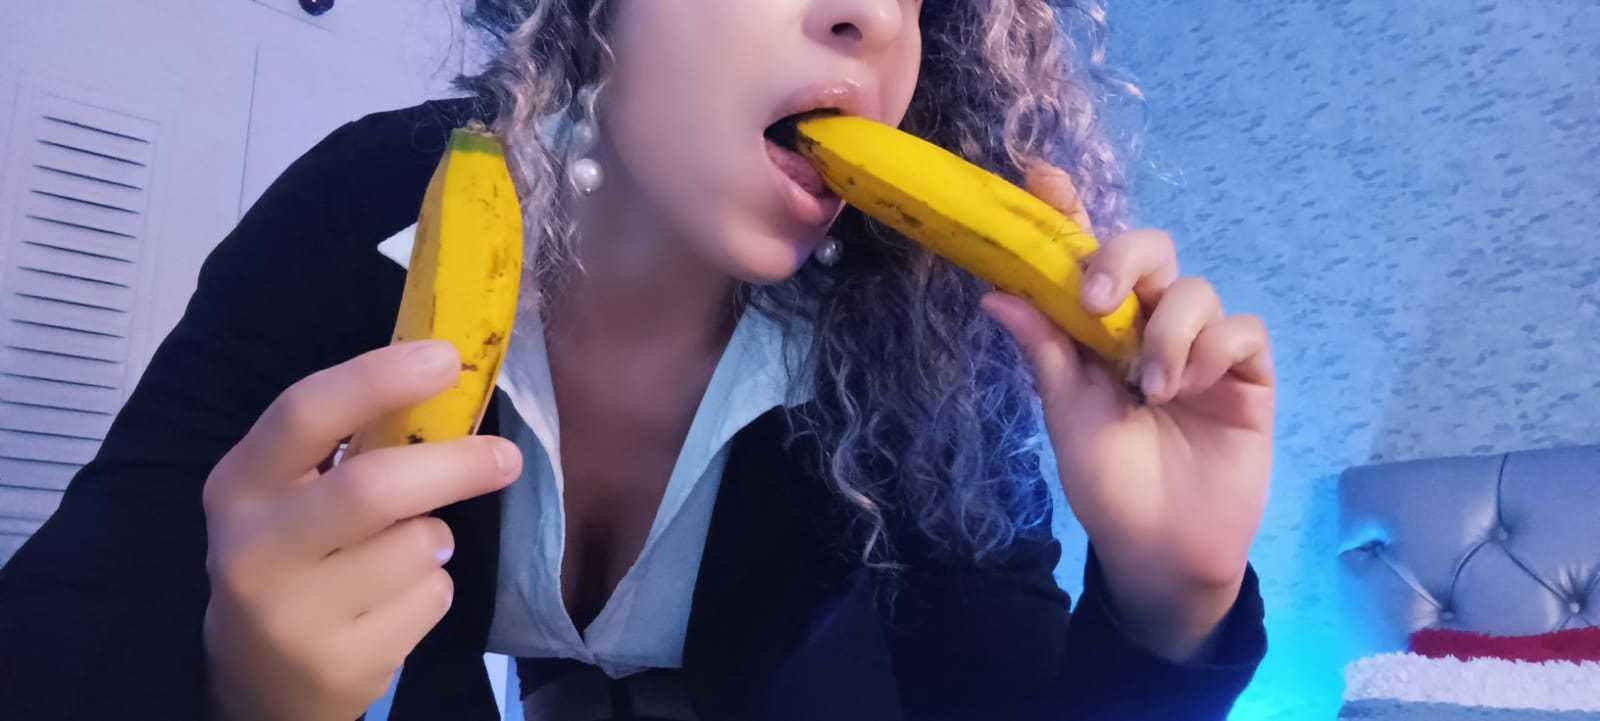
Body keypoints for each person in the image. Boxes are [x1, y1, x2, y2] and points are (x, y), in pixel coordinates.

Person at [0, 1, 1276, 719]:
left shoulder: (932, 328)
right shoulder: (363, 210)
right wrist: (234, 688)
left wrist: (1172, 605)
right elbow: (57, 627)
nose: (874, 23)